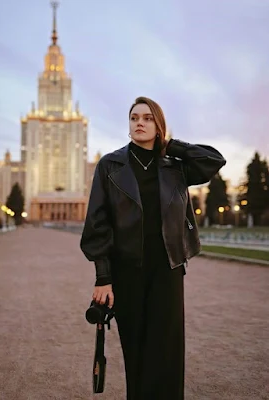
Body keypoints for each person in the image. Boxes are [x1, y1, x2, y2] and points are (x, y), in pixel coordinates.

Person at [80, 96, 226, 400]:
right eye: (134, 118)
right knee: (136, 350)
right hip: (126, 270)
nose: (139, 123)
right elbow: (97, 222)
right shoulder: (111, 164)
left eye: (147, 118)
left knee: (168, 352)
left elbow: (213, 161)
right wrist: (103, 276)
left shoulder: (175, 166)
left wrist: (171, 145)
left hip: (168, 269)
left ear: (158, 125)